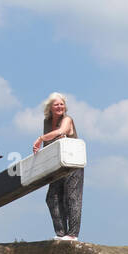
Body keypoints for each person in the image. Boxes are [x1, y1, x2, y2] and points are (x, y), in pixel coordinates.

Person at [33, 92, 83, 240]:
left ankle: (73, 234)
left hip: (72, 163)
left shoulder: (67, 119)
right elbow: (51, 142)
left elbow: (61, 132)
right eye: (56, 104)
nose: (60, 107)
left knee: (72, 197)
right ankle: (61, 233)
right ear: (50, 107)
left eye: (62, 104)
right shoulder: (47, 122)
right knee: (52, 198)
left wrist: (41, 138)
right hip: (57, 165)